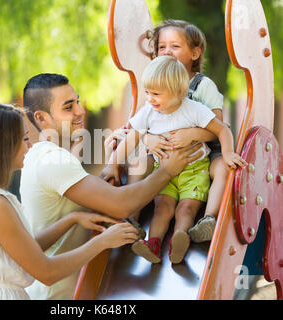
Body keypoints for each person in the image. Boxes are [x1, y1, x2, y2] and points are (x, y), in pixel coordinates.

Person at [20, 73, 205, 299]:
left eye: (77, 101)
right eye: (68, 107)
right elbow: (121, 205)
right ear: (41, 118)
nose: (80, 111)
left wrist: (112, 162)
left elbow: (93, 197)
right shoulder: (51, 161)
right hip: (56, 295)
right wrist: (167, 170)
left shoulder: (46, 157)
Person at [0, 103, 140, 300]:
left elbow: (25, 250)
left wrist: (71, 219)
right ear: (3, 146)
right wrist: (102, 242)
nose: (31, 145)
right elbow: (46, 271)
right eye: (24, 139)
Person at [101, 56, 247, 264]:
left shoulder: (193, 110)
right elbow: (131, 138)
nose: (150, 99)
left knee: (186, 208)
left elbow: (222, 129)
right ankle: (153, 243)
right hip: (164, 173)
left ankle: (181, 237)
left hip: (195, 171)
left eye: (156, 94)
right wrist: (112, 164)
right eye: (147, 93)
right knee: (162, 208)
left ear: (178, 92)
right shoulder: (149, 112)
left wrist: (228, 153)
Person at [144, 19, 230, 243]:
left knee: (222, 168)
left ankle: (209, 219)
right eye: (162, 47)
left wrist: (192, 134)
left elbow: (217, 127)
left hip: (207, 151)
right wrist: (149, 138)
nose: (167, 51)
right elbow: (143, 123)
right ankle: (130, 216)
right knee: (138, 162)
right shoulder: (155, 88)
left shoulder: (203, 85)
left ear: (195, 53)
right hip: (169, 156)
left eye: (175, 46)